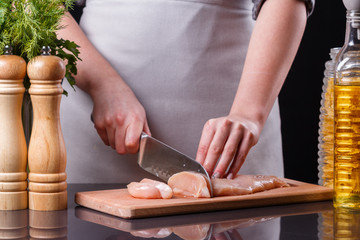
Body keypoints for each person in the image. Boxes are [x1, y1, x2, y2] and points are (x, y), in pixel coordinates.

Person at [57, 0, 314, 183]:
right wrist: (103, 85)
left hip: (235, 148)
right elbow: (35, 6)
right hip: (101, 142)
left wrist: (248, 113)